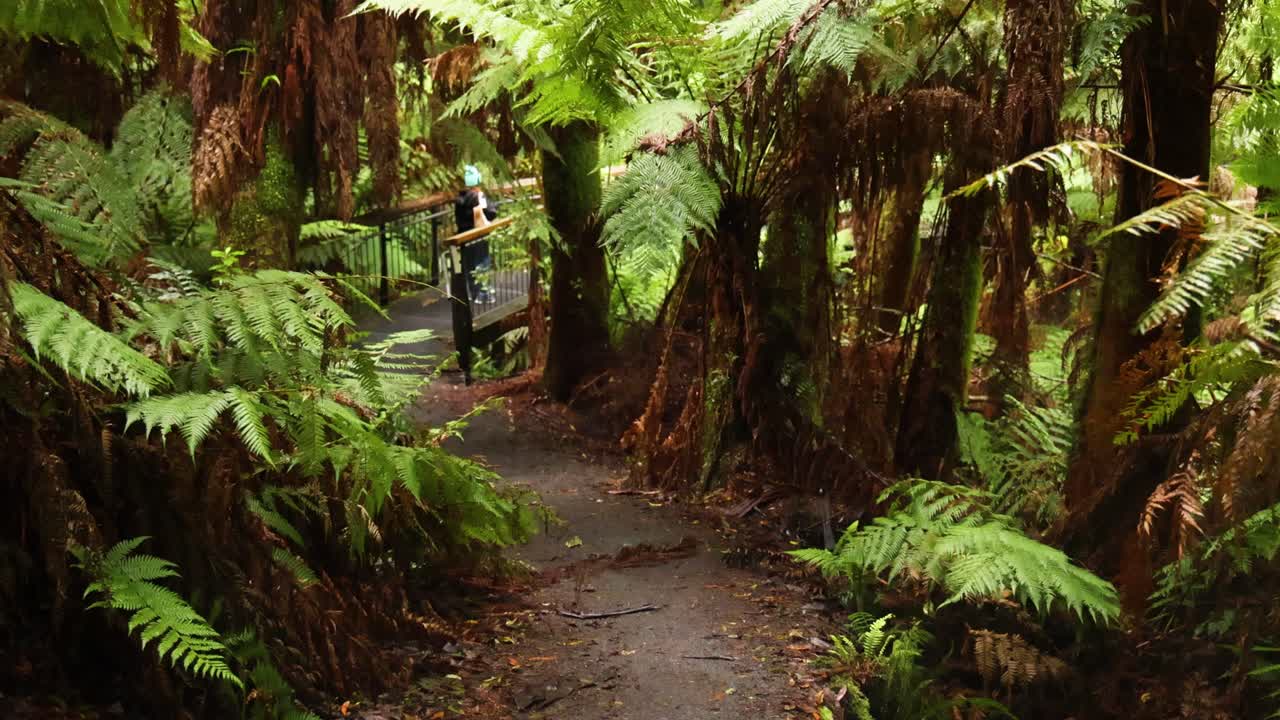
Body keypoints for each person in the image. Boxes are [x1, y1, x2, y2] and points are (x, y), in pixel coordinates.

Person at [454, 165, 497, 304]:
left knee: (469, 264)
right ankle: (483, 293)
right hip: (478, 234)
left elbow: (459, 219)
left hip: (464, 236)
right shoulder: (478, 196)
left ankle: (473, 293)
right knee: (482, 262)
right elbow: (491, 213)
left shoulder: (459, 199)